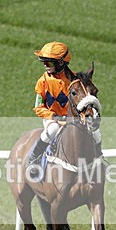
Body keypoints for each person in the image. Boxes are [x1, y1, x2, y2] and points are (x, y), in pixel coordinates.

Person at [28, 41, 102, 171]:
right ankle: (34, 158)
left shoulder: (76, 80)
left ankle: (99, 161)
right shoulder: (42, 82)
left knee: (96, 134)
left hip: (75, 118)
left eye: (49, 62)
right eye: (44, 62)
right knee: (52, 130)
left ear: (61, 62)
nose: (45, 66)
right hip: (53, 119)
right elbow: (38, 107)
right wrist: (54, 116)